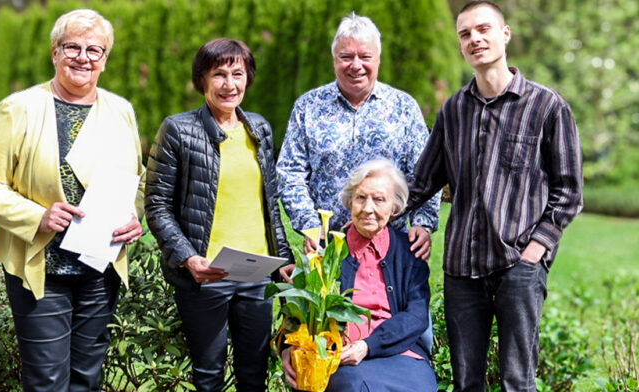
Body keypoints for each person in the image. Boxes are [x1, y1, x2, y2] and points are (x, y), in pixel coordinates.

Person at [405, 2, 584, 391]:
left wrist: (537, 249)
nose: (475, 39)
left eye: (483, 29)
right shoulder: (453, 110)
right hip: (461, 270)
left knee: (518, 381)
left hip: (517, 266)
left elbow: (569, 191)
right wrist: (370, 211)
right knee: (467, 383)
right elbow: (421, 183)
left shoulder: (547, 106)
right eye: (465, 34)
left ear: (505, 34)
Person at [0, 9, 145, 391]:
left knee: (87, 379)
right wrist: (38, 216)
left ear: (105, 60)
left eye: (94, 50)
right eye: (72, 47)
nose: (83, 57)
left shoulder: (121, 111)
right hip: (43, 269)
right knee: (47, 381)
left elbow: (138, 182)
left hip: (100, 269)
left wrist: (135, 217)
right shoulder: (19, 108)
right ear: (54, 52)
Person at [144, 38, 290, 392]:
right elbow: (156, 205)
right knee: (208, 375)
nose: (229, 84)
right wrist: (188, 258)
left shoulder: (260, 128)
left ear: (248, 78)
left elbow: (269, 203)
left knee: (254, 373)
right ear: (202, 80)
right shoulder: (179, 130)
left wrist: (283, 256)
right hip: (207, 274)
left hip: (256, 272)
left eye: (237, 73)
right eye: (219, 74)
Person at [276, 12, 440, 279]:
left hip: (391, 248)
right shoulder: (308, 106)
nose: (356, 65)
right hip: (326, 248)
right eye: (346, 57)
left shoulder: (404, 108)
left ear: (378, 59)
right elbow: (289, 172)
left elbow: (426, 173)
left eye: (365, 57)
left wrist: (423, 223)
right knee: (328, 321)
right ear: (334, 60)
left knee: (390, 320)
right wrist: (308, 224)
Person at [281, 160, 437, 392]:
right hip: (339, 355)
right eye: (361, 198)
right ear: (350, 202)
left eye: (379, 199)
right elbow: (300, 311)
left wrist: (367, 346)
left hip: (401, 352)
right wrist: (286, 348)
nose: (368, 208)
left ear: (394, 207)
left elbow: (416, 316)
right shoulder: (325, 252)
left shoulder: (408, 253)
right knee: (354, 386)